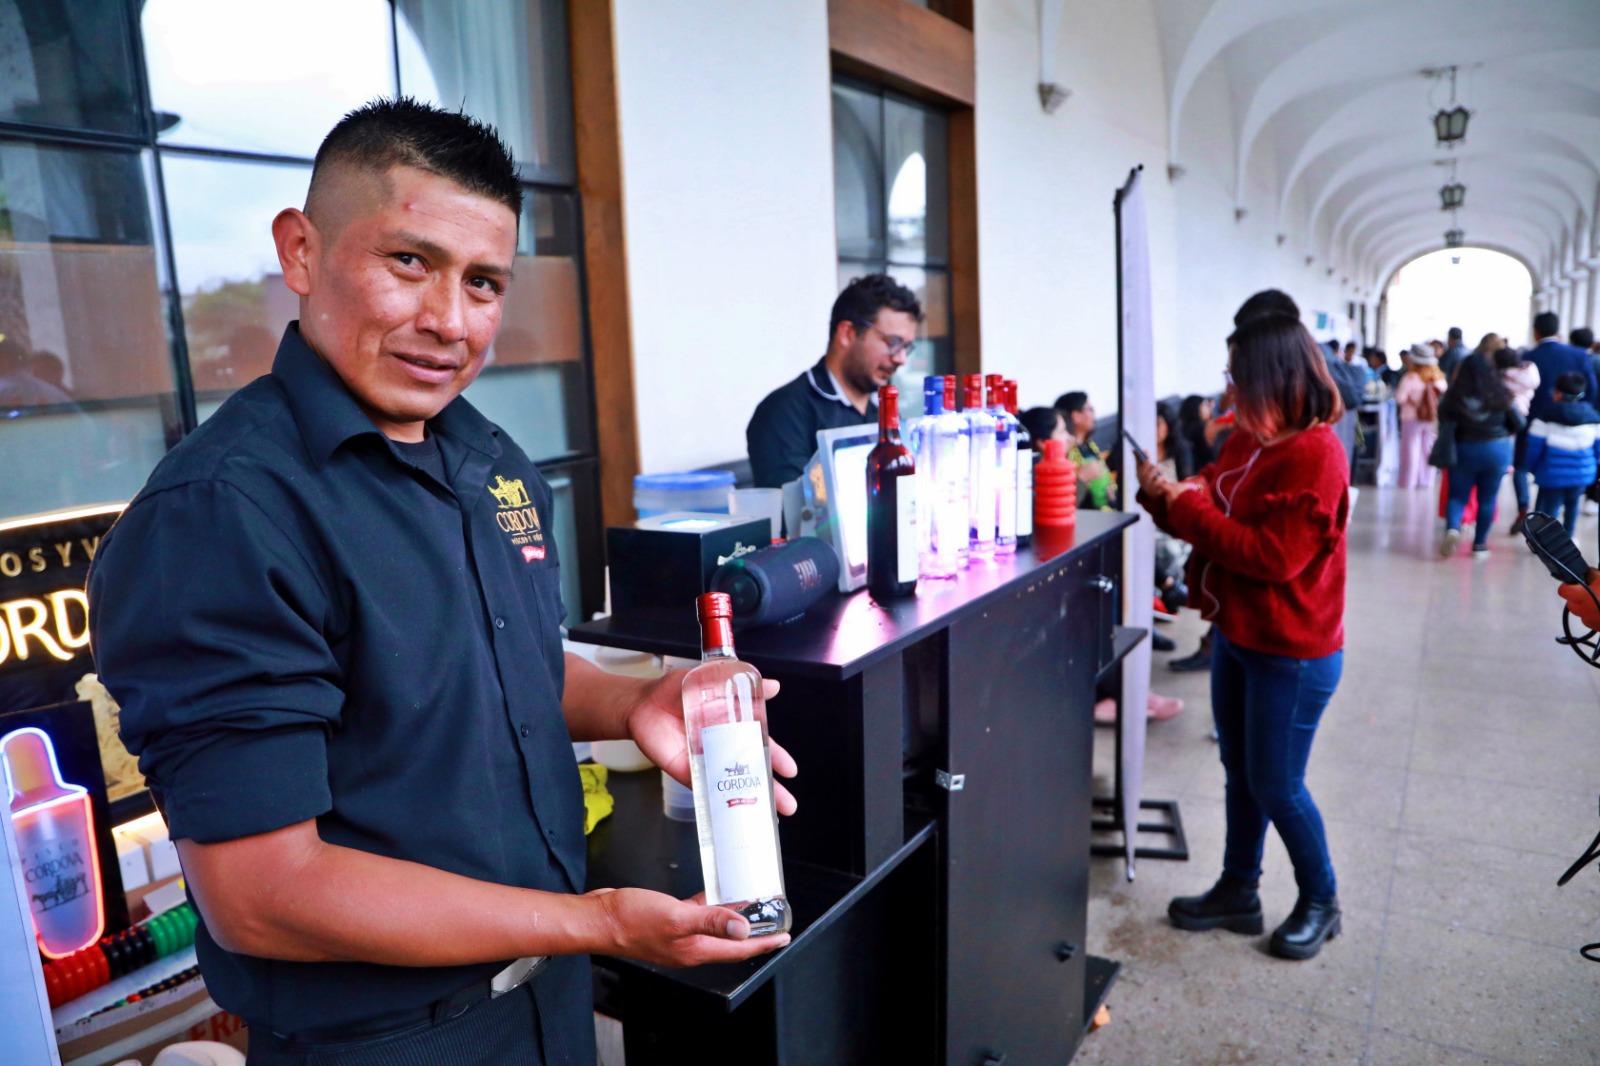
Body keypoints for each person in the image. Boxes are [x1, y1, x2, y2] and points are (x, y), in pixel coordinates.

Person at [88, 99, 794, 1066]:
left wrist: (633, 703)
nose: (448, 322)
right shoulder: (220, 516)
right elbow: (263, 895)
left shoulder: (489, 458)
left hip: (550, 998)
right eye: (409, 262)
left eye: (483, 282)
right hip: (390, 1041)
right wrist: (595, 922)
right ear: (301, 251)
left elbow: (507, 665)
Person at [1135, 310, 1349, 961]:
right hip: (1239, 633)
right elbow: (1208, 513)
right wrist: (1164, 497)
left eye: (1238, 377)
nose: (1228, 389)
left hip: (1292, 650)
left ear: (1274, 379)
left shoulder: (1316, 452)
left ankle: (1322, 901)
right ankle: (1238, 889)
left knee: (1278, 784)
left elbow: (1272, 557)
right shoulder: (1249, 440)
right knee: (1240, 771)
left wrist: (1191, 506)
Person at [746, 273, 921, 488]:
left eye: (906, 347)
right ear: (847, 333)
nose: (901, 359)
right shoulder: (783, 411)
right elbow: (795, 504)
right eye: (893, 342)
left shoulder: (883, 408)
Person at [1437, 353, 1523, 558]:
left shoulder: (1453, 395)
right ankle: (1480, 545)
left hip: (1463, 449)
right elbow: (1519, 423)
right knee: (1487, 499)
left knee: (1457, 496)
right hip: (1496, 450)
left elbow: (1443, 419)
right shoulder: (1501, 394)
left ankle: (1453, 528)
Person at [1525, 370, 1600, 538]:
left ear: (1558, 394)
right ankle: (1569, 538)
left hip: (1551, 474)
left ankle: (1549, 542)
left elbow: (1533, 450)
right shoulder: (1594, 418)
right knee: (1573, 506)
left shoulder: (1545, 417)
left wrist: (1534, 469)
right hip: (1582, 474)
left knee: (1550, 508)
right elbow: (1598, 450)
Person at [1526, 311, 1597, 422]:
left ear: (1536, 331)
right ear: (1557, 329)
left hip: (1536, 420)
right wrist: (1581, 413)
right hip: (1573, 421)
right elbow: (1591, 389)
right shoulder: (1579, 355)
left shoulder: (1527, 357)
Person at [1393, 343, 1446, 489]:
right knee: (1428, 448)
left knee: (1411, 449)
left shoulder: (1410, 378)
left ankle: (1408, 481)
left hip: (1411, 417)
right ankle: (1426, 481)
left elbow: (1400, 398)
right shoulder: (1438, 379)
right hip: (1431, 418)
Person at [1054, 391, 1115, 509]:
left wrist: (1110, 492)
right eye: (1090, 409)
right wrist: (1082, 478)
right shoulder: (1064, 452)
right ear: (1076, 416)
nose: (1093, 414)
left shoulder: (1090, 446)